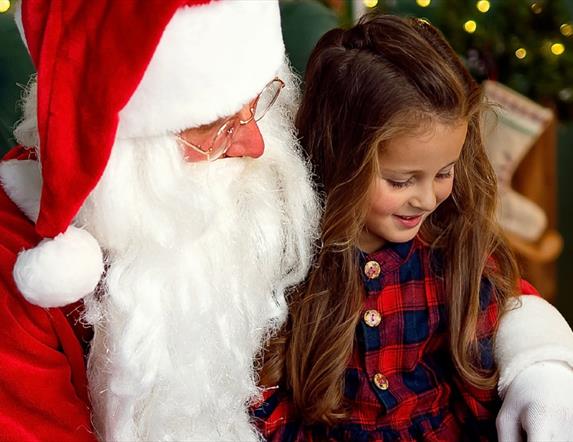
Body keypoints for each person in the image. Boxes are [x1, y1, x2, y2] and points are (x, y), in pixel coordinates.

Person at [0, 0, 320, 440]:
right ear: (118, 153)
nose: (255, 144)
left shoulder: (236, 205)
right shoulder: (14, 278)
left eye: (258, 101)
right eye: (218, 127)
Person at [254, 14, 573, 441]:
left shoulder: (450, 245)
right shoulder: (292, 259)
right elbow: (262, 395)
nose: (426, 199)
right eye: (402, 181)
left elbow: (504, 325)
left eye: (444, 172)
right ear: (341, 159)